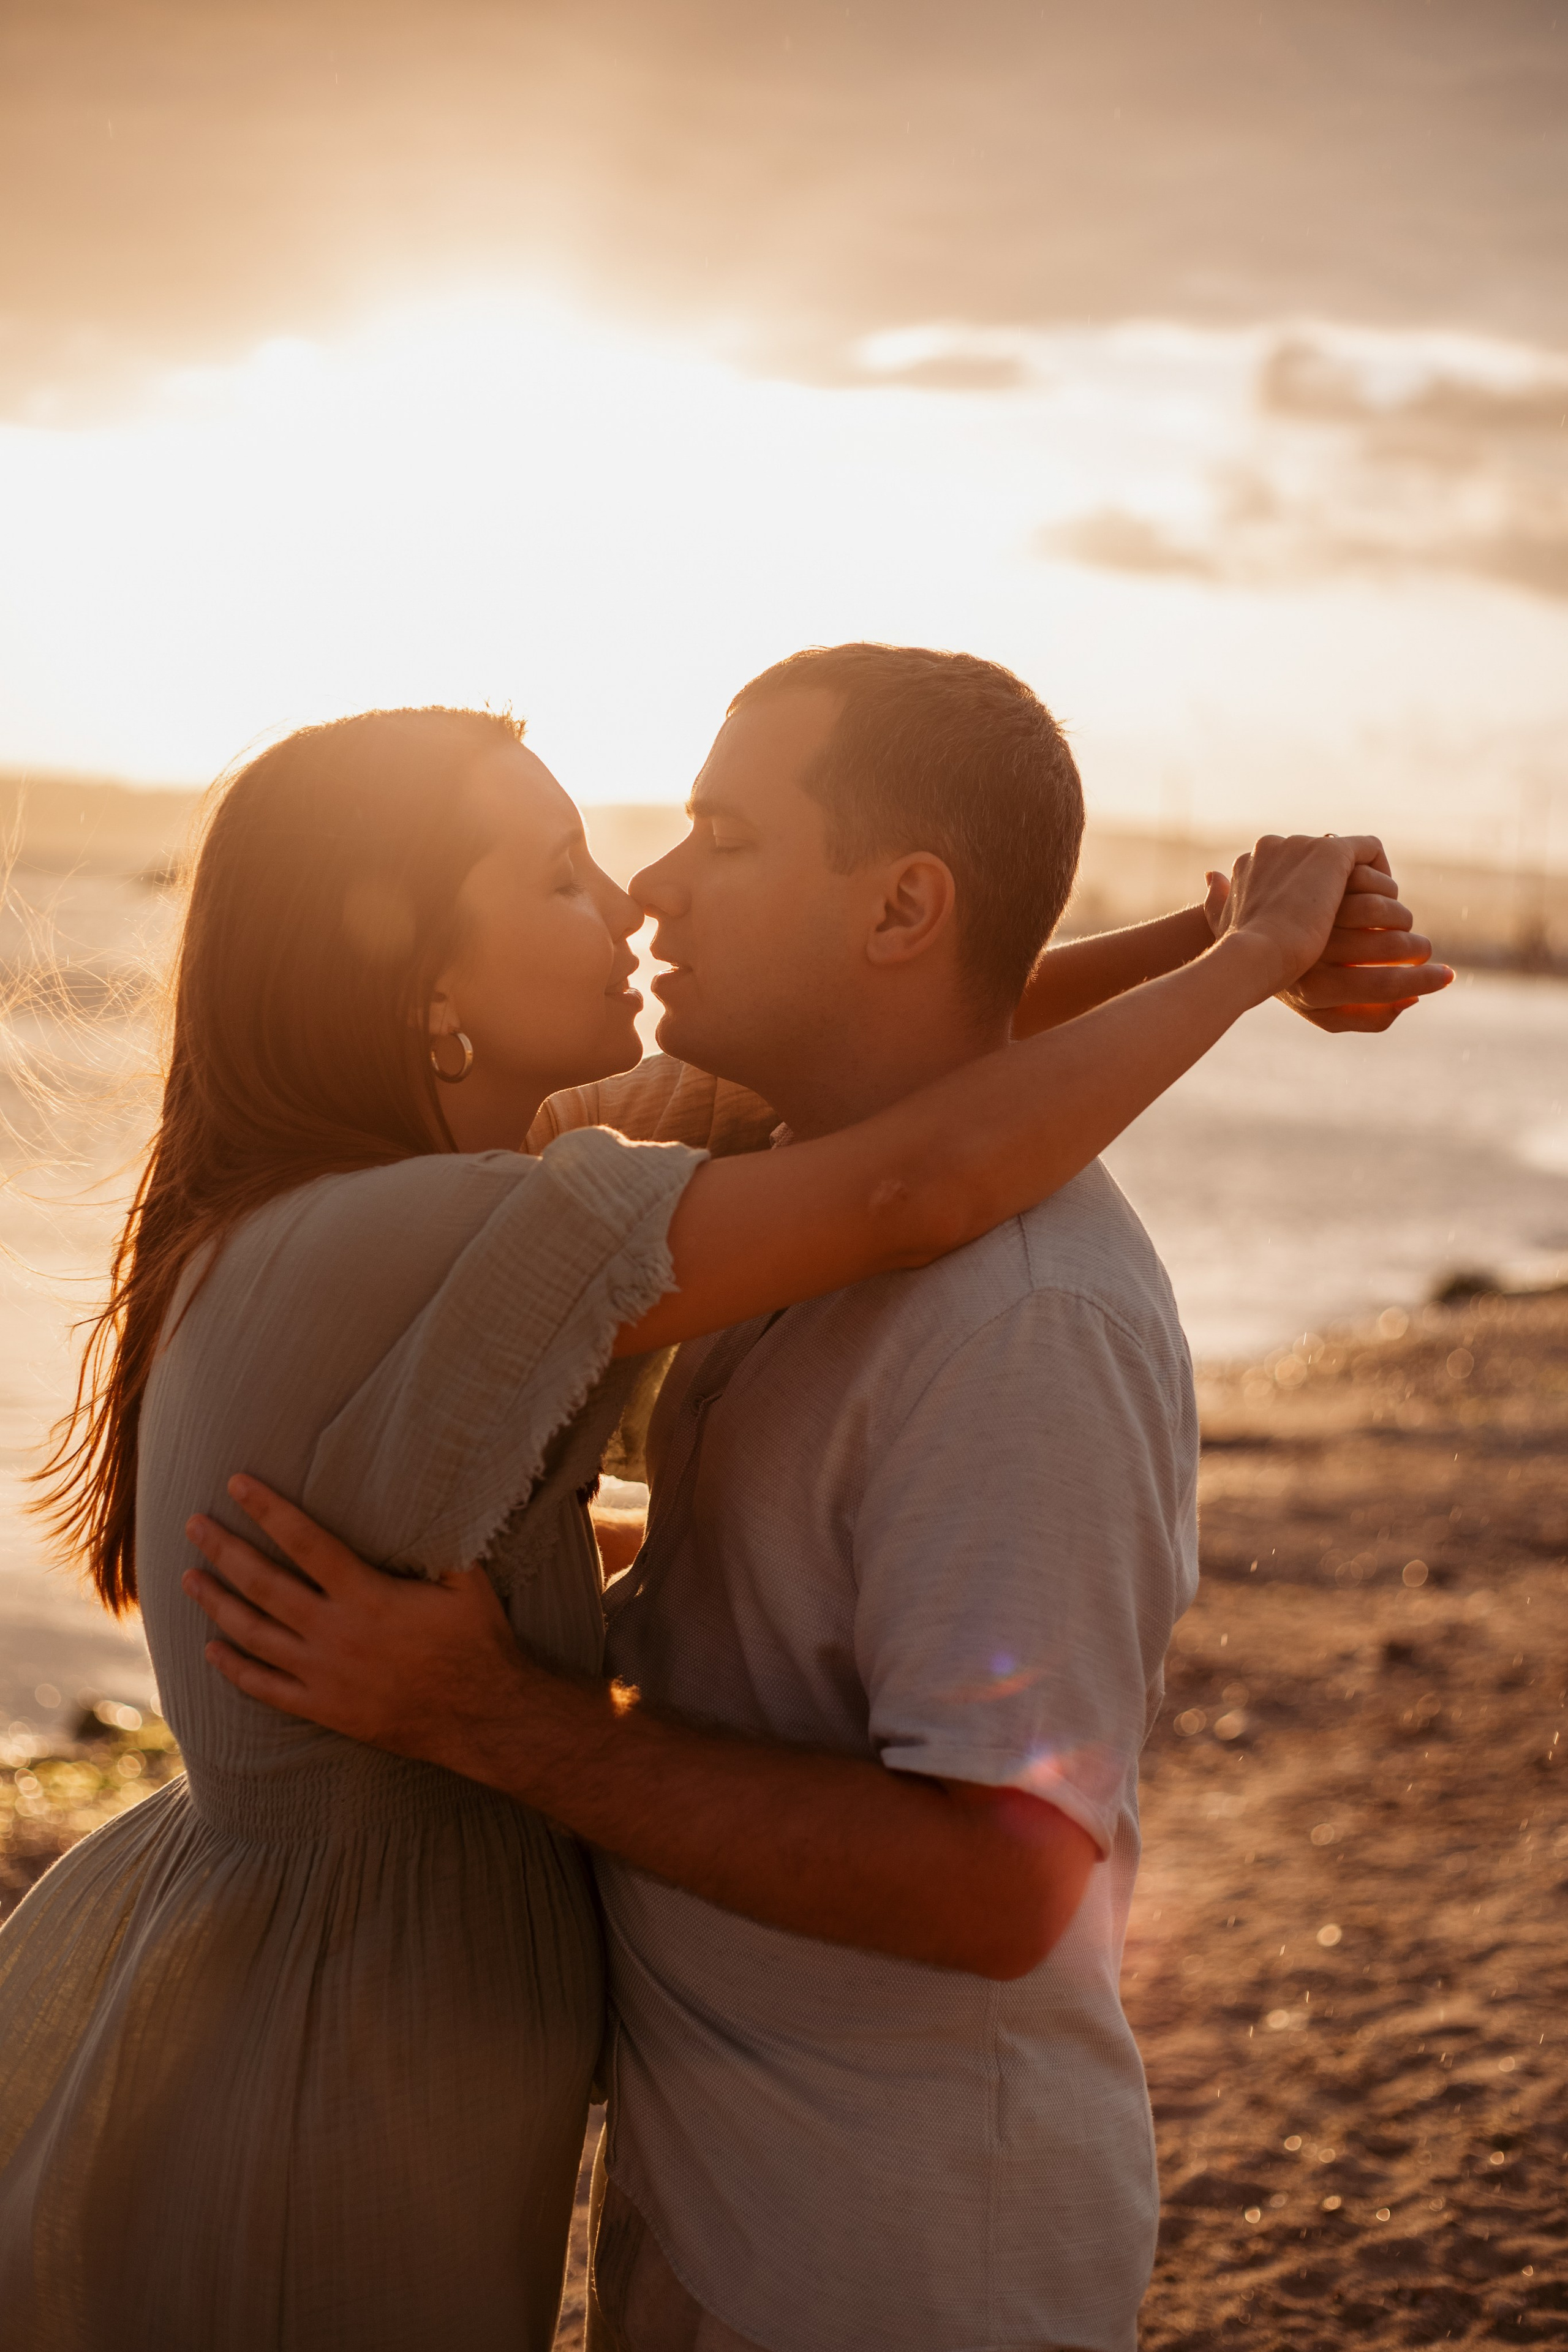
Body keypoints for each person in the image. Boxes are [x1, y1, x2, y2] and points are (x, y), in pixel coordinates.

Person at [173, 649, 1448, 2352]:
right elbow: (918, 1130)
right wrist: (1233, 959)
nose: (645, 886)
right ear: (421, 980)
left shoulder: (1015, 1317)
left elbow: (1004, 1888)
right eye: (568, 870)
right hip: (687, 2182)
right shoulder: (664, 1201)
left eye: (720, 831)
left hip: (896, 2255)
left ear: (904, 903)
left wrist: (492, 1711)